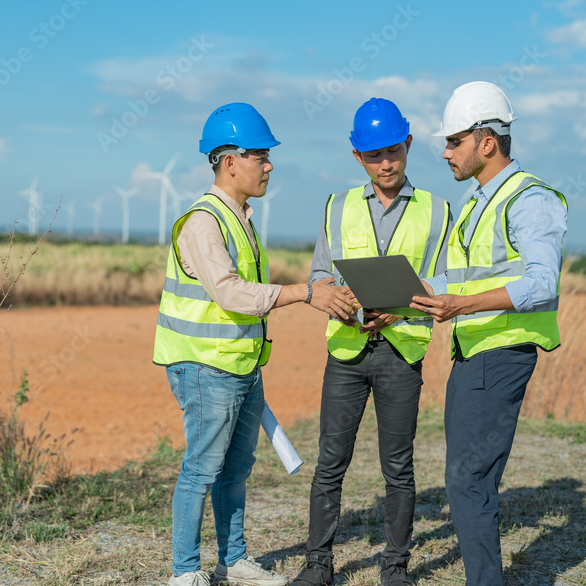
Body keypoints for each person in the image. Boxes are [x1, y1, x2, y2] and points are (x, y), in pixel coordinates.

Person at [153, 102, 357, 586]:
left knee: (237, 467)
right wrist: (305, 292)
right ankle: (184, 573)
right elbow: (230, 292)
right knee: (202, 469)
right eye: (260, 156)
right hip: (205, 367)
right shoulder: (204, 222)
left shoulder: (239, 217)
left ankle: (233, 560)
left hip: (241, 365)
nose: (269, 166)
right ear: (230, 162)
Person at [290, 98, 452, 586]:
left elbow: (446, 283)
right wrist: (347, 304)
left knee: (398, 467)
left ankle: (395, 567)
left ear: (407, 145)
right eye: (373, 155)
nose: (385, 164)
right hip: (346, 350)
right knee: (330, 462)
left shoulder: (438, 211)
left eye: (392, 152)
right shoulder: (337, 207)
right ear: (356, 156)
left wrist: (398, 307)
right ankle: (319, 563)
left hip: (402, 354)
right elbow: (321, 276)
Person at [411, 81, 567, 585]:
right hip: (474, 353)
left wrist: (463, 305)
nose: (444, 151)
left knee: (467, 478)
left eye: (454, 140)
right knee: (470, 478)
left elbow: (541, 284)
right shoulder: (479, 203)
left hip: (500, 353)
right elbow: (463, 278)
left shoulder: (530, 200)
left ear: (486, 142)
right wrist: (399, 296)